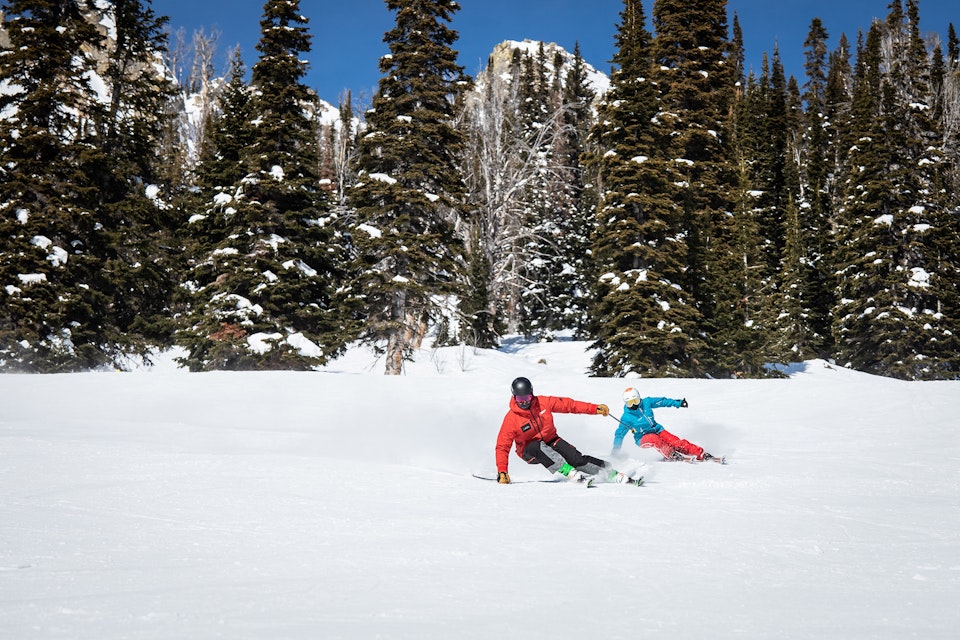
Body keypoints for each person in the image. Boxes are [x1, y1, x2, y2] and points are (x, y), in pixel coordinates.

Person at [495, 376, 624, 484]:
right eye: (519, 399)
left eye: (527, 398)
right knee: (537, 446)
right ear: (514, 397)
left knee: (575, 458)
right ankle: (567, 470)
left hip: (551, 440)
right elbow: (502, 446)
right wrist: (502, 471)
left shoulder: (543, 402)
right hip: (529, 451)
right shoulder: (511, 419)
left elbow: (569, 405)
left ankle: (609, 472)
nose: (524, 402)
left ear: (532, 394)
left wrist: (594, 408)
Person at [613, 387, 718, 462]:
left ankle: (699, 453)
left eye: (635, 401)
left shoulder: (646, 402)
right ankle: (671, 454)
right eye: (629, 403)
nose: (633, 405)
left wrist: (678, 403)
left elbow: (662, 401)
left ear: (639, 398)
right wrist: (615, 452)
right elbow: (619, 435)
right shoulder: (626, 417)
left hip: (658, 430)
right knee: (654, 439)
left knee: (676, 442)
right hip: (642, 438)